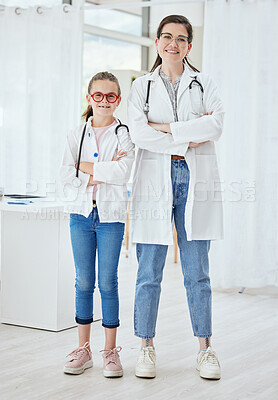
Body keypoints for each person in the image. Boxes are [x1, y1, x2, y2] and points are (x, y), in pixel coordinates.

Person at [128, 15, 224, 380]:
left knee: (197, 272)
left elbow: (216, 125)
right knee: (148, 271)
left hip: (194, 177)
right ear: (157, 43)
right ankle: (146, 348)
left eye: (181, 39)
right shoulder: (142, 87)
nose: (173, 44)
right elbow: (139, 134)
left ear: (189, 45)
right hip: (155, 177)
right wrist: (188, 136)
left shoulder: (204, 83)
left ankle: (205, 350)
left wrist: (166, 128)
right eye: (166, 37)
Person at [60, 71, 134, 377]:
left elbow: (124, 173)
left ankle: (110, 352)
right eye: (98, 95)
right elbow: (65, 176)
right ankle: (84, 349)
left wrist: (85, 168)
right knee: (83, 282)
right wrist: (106, 169)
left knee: (108, 282)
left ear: (118, 100)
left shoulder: (124, 134)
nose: (104, 101)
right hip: (80, 215)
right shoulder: (75, 134)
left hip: (111, 217)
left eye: (111, 96)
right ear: (89, 98)